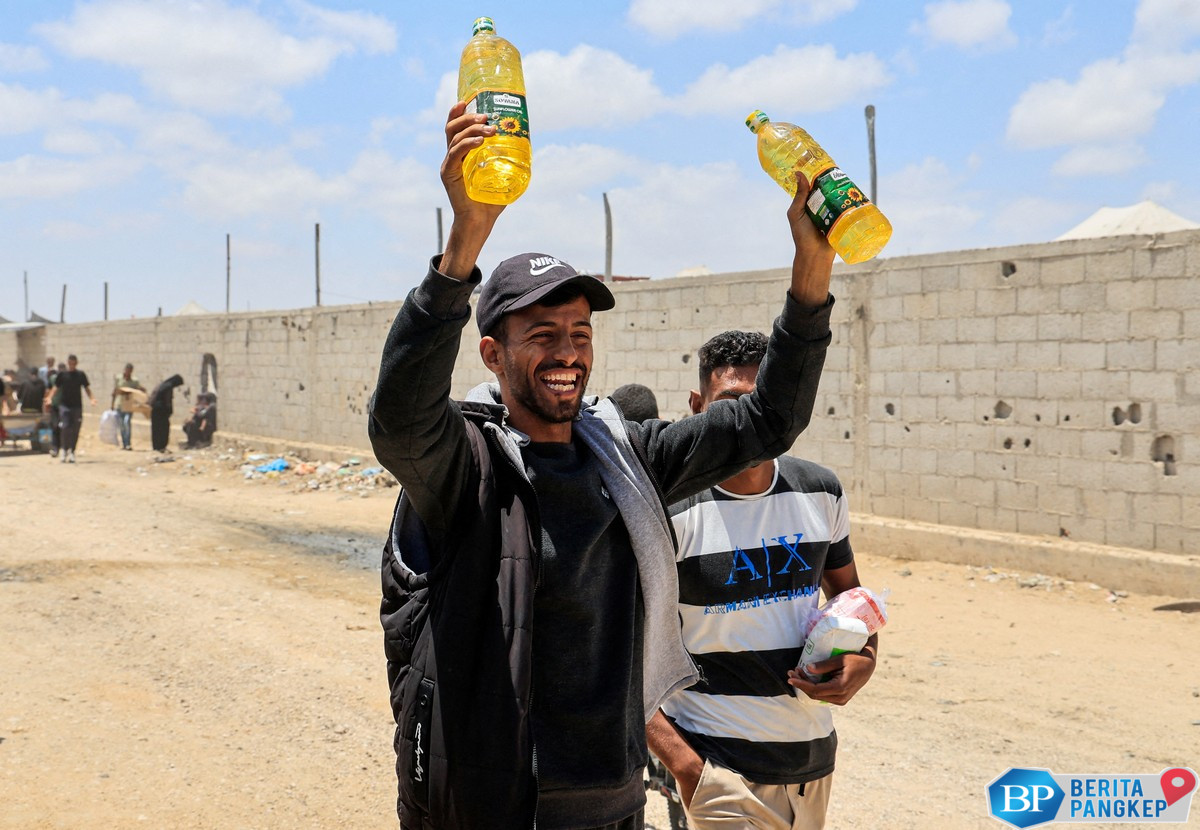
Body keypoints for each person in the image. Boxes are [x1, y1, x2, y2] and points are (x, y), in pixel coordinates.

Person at [368, 102, 836, 830]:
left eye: (580, 333)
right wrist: (465, 240)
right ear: (492, 352)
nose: (567, 353)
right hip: (494, 805)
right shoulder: (467, 465)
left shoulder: (629, 458)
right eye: (542, 333)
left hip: (615, 801)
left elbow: (768, 420)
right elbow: (398, 419)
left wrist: (812, 267)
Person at [645, 330, 877, 830]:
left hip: (812, 767)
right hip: (720, 770)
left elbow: (852, 600)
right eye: (731, 405)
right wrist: (688, 769)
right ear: (696, 405)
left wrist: (865, 660)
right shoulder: (668, 512)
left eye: (762, 404)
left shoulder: (820, 492)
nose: (749, 423)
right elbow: (615, 654)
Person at [53, 355, 96, 463]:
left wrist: (92, 399)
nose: (72, 365)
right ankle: (63, 449)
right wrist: (49, 397)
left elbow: (86, 388)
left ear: (76, 363)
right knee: (65, 427)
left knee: (75, 429)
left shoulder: (80, 375)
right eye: (70, 363)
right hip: (64, 405)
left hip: (77, 406)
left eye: (74, 363)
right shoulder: (62, 375)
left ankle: (72, 451)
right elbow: (55, 387)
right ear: (68, 362)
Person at [111, 363, 145, 451]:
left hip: (129, 405)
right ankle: (124, 443)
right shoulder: (119, 378)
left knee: (127, 422)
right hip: (120, 404)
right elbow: (115, 391)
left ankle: (128, 443)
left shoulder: (134, 381)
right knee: (122, 425)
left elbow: (138, 390)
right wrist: (112, 404)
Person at [147, 374, 184, 452]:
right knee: (164, 428)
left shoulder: (162, 384)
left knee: (156, 428)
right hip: (162, 410)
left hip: (155, 409)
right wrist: (170, 411)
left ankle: (156, 446)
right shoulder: (169, 386)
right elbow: (168, 401)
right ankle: (162, 446)